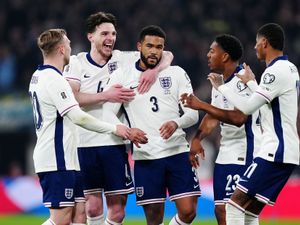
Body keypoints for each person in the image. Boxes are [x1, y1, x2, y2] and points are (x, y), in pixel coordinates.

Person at [63, 12, 173, 225]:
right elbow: (73, 97)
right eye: (104, 33)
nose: (110, 38)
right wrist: (106, 95)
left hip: (115, 141)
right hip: (84, 142)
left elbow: (167, 54)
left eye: (113, 33)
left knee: (118, 211)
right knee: (92, 207)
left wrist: (154, 71)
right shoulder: (76, 62)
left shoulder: (123, 58)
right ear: (90, 37)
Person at [29, 28, 129, 225]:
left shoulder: (37, 75)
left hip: (68, 159)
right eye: (68, 44)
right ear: (60, 49)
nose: (70, 49)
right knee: (61, 220)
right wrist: (113, 128)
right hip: (56, 159)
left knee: (79, 216)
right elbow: (77, 117)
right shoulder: (54, 79)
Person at [103, 25, 200, 225]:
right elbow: (107, 113)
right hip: (146, 156)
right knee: (154, 219)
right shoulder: (123, 76)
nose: (154, 51)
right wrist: (128, 132)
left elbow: (193, 113)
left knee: (188, 211)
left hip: (177, 152)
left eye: (159, 47)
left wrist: (176, 122)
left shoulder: (176, 73)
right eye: (149, 46)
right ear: (139, 46)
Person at [208, 23, 300, 225]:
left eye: (257, 43)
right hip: (286, 151)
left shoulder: (274, 71)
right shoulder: (290, 68)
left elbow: (248, 108)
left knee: (233, 206)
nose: (255, 47)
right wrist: (251, 83)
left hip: (275, 151)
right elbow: (265, 103)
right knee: (248, 212)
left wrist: (222, 88)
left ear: (265, 42)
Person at [180, 34, 262, 225]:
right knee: (222, 210)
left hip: (244, 153)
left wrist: (201, 105)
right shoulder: (221, 83)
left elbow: (240, 118)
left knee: (232, 210)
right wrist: (197, 138)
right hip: (225, 154)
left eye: (212, 51)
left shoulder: (243, 81)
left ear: (224, 56)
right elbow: (213, 115)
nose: (208, 55)